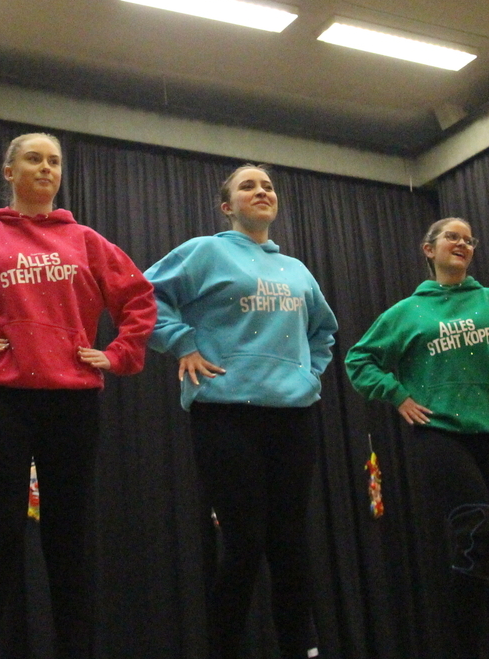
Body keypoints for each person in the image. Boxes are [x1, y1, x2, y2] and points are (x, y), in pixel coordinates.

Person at [0, 132, 155, 659]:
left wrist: (120, 353)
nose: (46, 168)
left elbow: (138, 298)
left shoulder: (86, 241)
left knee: (69, 537)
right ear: (9, 172)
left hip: (72, 402)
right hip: (1, 400)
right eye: (33, 159)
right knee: (1, 533)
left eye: (54, 161)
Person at [144, 164, 337, 659]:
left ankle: (301, 649)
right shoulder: (206, 252)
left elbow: (324, 331)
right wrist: (182, 342)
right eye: (248, 186)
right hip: (226, 414)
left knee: (290, 544)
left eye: (268, 185)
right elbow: (144, 297)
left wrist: (308, 374)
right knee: (244, 543)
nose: (262, 191)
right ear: (227, 206)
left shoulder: (297, 270)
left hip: (293, 416)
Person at [345, 217, 489, 659]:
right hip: (441, 435)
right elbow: (359, 360)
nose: (462, 243)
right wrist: (397, 395)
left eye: (468, 239)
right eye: (452, 237)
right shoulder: (407, 312)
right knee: (476, 532)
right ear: (429, 249)